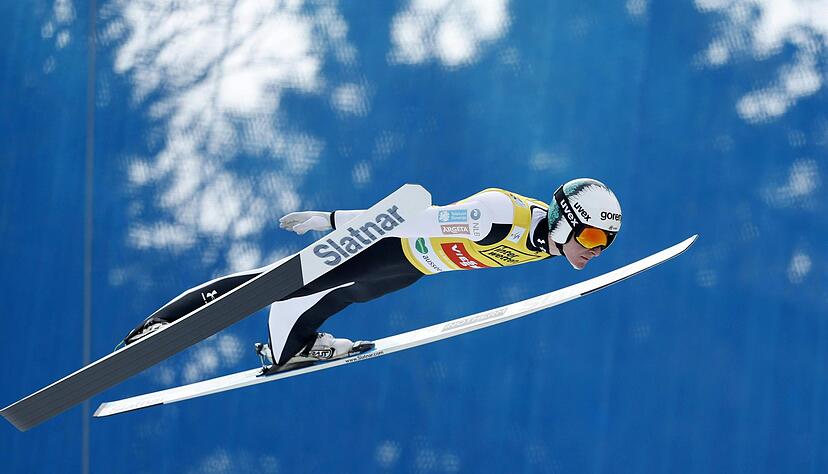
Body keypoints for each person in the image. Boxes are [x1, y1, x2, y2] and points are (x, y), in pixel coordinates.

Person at [121, 178, 622, 372]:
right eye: (594, 239)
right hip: (390, 243)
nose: (595, 252)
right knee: (273, 282)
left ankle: (293, 344)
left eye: (605, 245)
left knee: (345, 297)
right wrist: (333, 221)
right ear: (565, 220)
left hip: (414, 268)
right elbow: (415, 218)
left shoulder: (549, 245)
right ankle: (164, 324)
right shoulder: (498, 217)